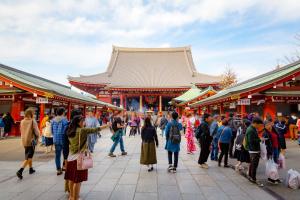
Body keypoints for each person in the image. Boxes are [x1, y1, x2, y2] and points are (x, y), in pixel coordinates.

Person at [65, 115, 110, 200]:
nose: (84, 123)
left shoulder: (70, 130)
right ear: (79, 122)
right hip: (79, 158)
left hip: (70, 158)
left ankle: (71, 197)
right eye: (83, 121)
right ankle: (76, 198)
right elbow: (95, 129)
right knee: (78, 181)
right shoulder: (82, 130)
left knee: (71, 179)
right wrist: (107, 125)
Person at [16, 109, 40, 179]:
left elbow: (21, 130)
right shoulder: (32, 121)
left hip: (24, 141)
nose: (34, 114)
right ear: (31, 114)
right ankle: (20, 170)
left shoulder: (22, 121)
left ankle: (31, 169)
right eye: (33, 113)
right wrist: (38, 135)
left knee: (28, 155)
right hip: (31, 141)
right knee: (29, 157)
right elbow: (36, 132)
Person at [52, 107, 69, 175]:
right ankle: (64, 166)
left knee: (57, 155)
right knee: (65, 154)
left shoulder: (53, 120)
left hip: (56, 139)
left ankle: (58, 169)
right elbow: (66, 131)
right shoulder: (65, 120)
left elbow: (52, 130)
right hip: (63, 139)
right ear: (63, 112)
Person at [245, 117, 263, 184]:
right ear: (255, 123)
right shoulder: (251, 130)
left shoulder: (252, 128)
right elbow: (250, 141)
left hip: (253, 150)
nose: (259, 126)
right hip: (253, 150)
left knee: (252, 164)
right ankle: (253, 178)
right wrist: (260, 139)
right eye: (259, 125)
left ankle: (250, 176)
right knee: (254, 165)